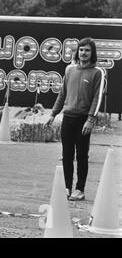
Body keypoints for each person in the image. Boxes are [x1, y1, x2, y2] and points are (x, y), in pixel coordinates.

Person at [46, 37, 105, 201]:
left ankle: (79, 189)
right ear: (77, 52)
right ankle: (66, 187)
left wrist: (90, 119)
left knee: (81, 156)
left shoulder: (97, 72)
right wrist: (53, 114)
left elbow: (97, 98)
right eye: (81, 50)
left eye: (87, 50)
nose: (84, 53)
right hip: (68, 118)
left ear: (92, 53)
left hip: (83, 121)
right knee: (66, 154)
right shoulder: (69, 70)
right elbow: (62, 93)